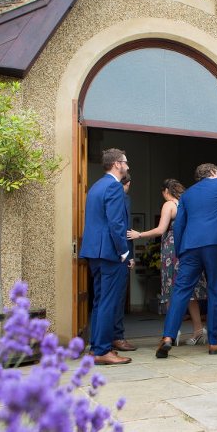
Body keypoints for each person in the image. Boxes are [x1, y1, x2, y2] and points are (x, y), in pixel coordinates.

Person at [154, 163, 217, 358]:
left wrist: (180, 252)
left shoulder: (188, 195)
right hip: (215, 244)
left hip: (190, 247)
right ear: (212, 173)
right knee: (215, 290)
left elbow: (179, 226)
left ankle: (167, 337)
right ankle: (213, 343)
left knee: (180, 291)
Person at [127, 178, 207, 345]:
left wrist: (139, 234)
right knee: (190, 291)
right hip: (189, 247)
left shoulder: (169, 205)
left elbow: (161, 229)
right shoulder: (187, 204)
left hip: (173, 249)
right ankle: (198, 330)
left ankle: (172, 332)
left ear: (165, 191)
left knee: (172, 289)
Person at [78, 148, 133, 365]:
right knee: (109, 302)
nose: (128, 166)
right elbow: (116, 223)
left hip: (95, 253)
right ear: (117, 164)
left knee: (100, 301)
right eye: (126, 162)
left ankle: (96, 348)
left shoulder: (96, 186)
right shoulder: (113, 187)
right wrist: (124, 252)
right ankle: (102, 350)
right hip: (110, 254)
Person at [112, 172, 137, 352]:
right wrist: (129, 255)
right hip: (119, 253)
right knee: (118, 298)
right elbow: (124, 229)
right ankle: (117, 337)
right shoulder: (123, 197)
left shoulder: (99, 193)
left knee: (104, 299)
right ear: (127, 183)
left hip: (103, 253)